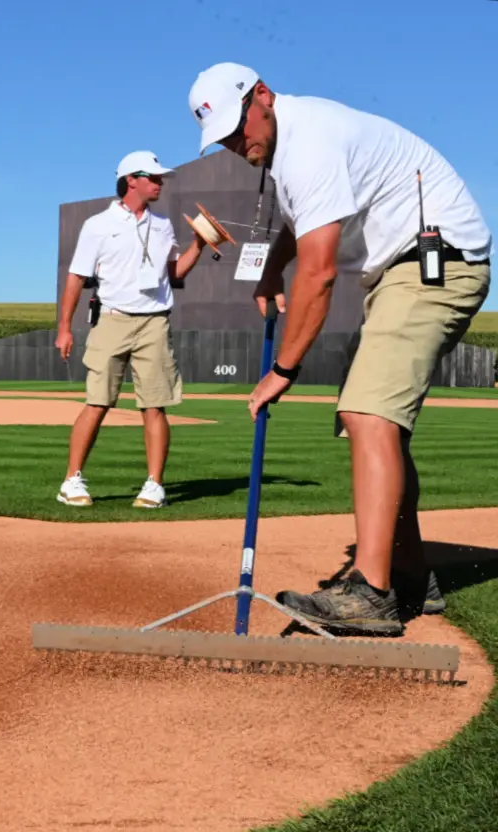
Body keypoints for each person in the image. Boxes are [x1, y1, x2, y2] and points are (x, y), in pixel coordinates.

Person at [187, 62, 491, 635]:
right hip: (403, 271)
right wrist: (271, 270)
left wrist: (284, 368)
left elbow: (320, 272)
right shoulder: (291, 145)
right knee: (379, 426)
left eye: (237, 127)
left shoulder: (310, 141)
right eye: (222, 138)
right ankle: (409, 573)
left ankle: (372, 595)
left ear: (262, 96)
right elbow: (300, 226)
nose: (236, 144)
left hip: (436, 264)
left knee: (368, 414)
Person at [54, 151, 209, 509]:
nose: (159, 183)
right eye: (152, 177)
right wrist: (64, 328)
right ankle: (71, 479)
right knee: (97, 402)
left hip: (155, 322)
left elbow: (175, 273)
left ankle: (154, 485)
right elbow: (76, 277)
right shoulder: (97, 225)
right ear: (131, 181)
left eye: (160, 177)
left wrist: (200, 245)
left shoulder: (163, 224)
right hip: (112, 320)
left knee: (155, 406)